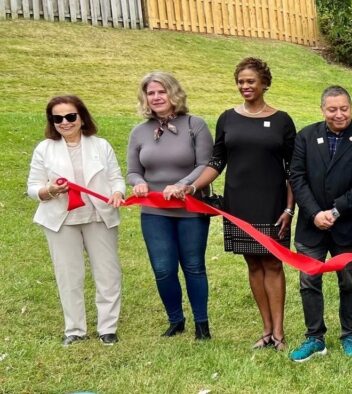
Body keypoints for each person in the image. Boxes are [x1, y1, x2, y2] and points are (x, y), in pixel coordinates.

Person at [189, 57, 296, 351]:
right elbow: (216, 161)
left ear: (264, 83)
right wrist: (193, 186)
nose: (245, 86)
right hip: (238, 202)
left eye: (250, 81)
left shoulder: (282, 120)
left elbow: (293, 169)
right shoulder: (227, 118)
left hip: (273, 202)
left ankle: (279, 332)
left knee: (273, 262)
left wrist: (289, 208)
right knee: (252, 262)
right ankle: (265, 330)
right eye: (241, 81)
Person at [288, 85, 352, 362]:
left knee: (349, 281)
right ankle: (314, 337)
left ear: (351, 107)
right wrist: (315, 212)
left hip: (347, 225)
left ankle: (349, 334)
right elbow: (297, 177)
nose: (339, 114)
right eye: (332, 109)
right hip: (310, 224)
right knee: (308, 281)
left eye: (344, 108)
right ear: (322, 110)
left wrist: (336, 211)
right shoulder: (305, 136)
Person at [28, 95, 125, 346]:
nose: (65, 122)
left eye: (70, 116)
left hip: (99, 216)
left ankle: (108, 328)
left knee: (108, 273)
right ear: (52, 122)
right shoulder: (44, 149)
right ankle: (75, 330)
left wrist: (117, 193)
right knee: (68, 275)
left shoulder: (101, 145)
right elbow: (33, 187)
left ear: (81, 117)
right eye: (57, 118)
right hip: (61, 220)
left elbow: (116, 178)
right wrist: (49, 190)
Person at [127, 71, 213, 340]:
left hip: (191, 209)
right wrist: (138, 182)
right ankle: (176, 320)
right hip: (154, 213)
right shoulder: (139, 132)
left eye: (161, 91)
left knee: (193, 266)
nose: (156, 97)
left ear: (173, 93)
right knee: (163, 268)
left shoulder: (194, 125)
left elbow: (205, 165)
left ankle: (202, 324)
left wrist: (182, 185)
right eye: (150, 93)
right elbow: (132, 171)